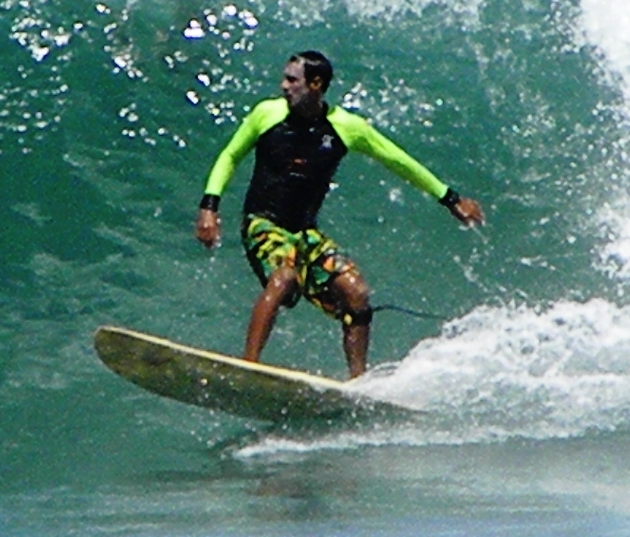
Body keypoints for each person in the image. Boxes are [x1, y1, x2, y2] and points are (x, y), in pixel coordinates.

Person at [194, 50, 483, 377]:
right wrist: (209, 206)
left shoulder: (346, 127)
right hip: (263, 223)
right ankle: (248, 367)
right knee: (284, 277)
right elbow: (230, 155)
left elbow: (398, 160)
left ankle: (357, 383)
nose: (284, 86)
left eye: (292, 80)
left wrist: (450, 199)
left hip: (305, 233)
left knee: (356, 292)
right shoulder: (267, 114)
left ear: (316, 84)